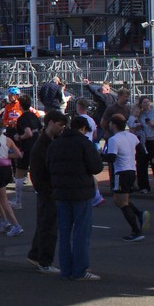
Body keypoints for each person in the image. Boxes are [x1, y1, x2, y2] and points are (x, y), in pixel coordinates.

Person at [47, 115, 103, 281]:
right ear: (83, 128)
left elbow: (48, 165)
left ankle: (66, 269)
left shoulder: (55, 144)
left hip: (61, 192)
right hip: (81, 192)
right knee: (81, 232)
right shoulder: (84, 143)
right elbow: (96, 167)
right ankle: (79, 269)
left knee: (64, 232)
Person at [26, 112, 66, 273]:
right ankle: (44, 261)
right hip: (47, 190)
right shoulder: (43, 144)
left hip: (48, 189)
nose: (62, 128)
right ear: (51, 123)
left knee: (45, 224)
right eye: (60, 125)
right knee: (48, 226)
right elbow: (37, 171)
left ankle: (36, 255)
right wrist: (45, 188)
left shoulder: (49, 141)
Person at [104, 115, 148, 242]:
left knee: (122, 202)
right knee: (118, 199)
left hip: (120, 172)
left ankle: (136, 230)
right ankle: (139, 214)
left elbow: (111, 158)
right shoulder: (132, 136)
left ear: (114, 125)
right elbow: (142, 151)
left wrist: (100, 155)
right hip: (131, 171)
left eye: (110, 123)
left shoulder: (114, 139)